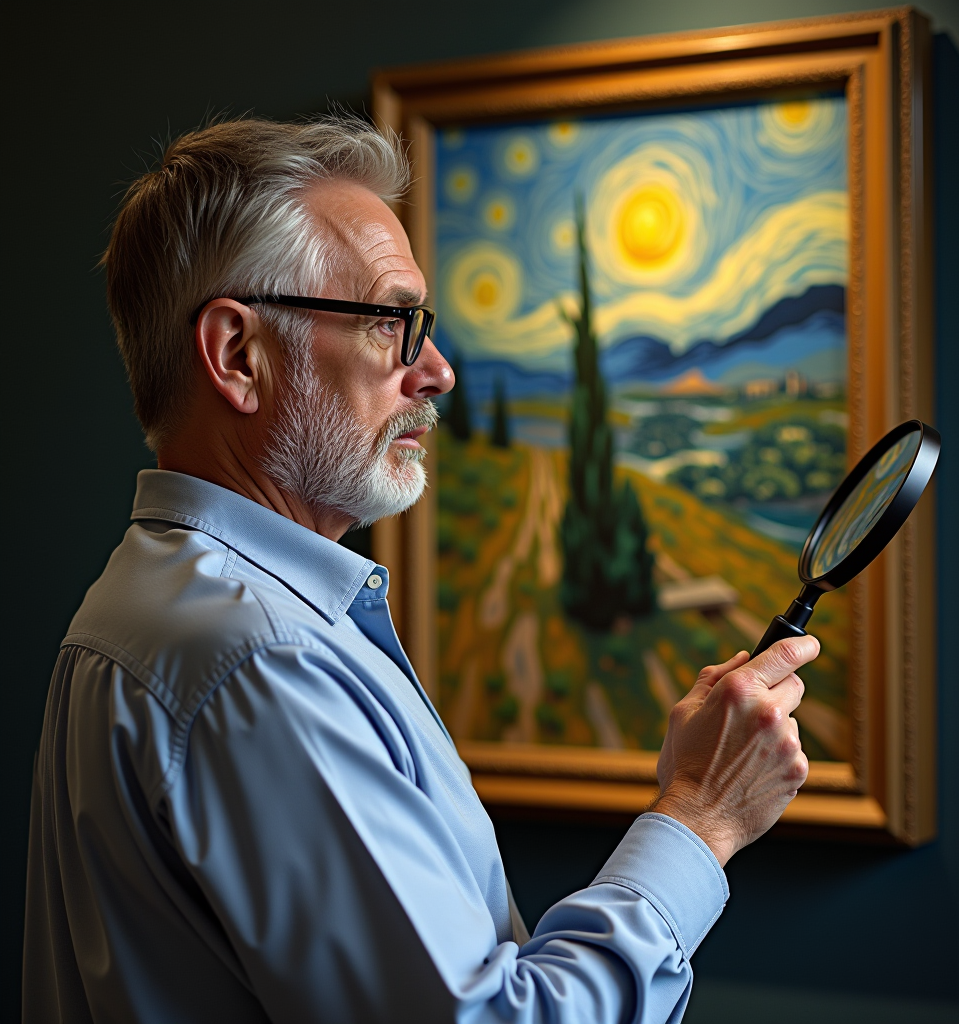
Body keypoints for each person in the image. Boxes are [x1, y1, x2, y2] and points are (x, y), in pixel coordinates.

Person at [23, 115, 815, 1024]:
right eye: (394, 322)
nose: (436, 370)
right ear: (239, 356)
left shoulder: (139, 609)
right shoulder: (259, 661)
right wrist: (701, 819)